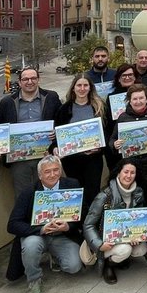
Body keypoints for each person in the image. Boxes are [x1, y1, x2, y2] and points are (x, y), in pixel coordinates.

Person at [8, 155, 85, 293]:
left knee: (74, 266)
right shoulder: (28, 192)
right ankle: (34, 280)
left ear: (61, 170)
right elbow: (12, 224)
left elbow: (83, 213)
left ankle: (55, 257)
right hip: (37, 235)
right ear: (40, 175)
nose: (52, 174)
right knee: (30, 246)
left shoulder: (72, 184)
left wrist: (68, 226)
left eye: (56, 170)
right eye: (47, 171)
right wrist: (41, 229)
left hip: (62, 235)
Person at [0, 66, 62, 197]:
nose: (29, 82)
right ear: (19, 82)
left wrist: (57, 133)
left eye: (33, 78)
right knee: (22, 196)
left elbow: (61, 119)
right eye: (25, 79)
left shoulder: (51, 97)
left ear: (38, 80)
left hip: (45, 156)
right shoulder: (7, 102)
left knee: (48, 195)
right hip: (19, 160)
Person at [82, 159, 147, 284]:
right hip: (105, 238)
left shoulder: (139, 192)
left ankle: (120, 259)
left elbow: (139, 220)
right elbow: (88, 224)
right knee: (124, 250)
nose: (129, 176)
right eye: (126, 172)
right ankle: (108, 265)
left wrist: (137, 235)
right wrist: (99, 244)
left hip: (126, 235)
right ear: (118, 173)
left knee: (142, 248)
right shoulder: (104, 195)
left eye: (132, 173)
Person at [54, 74, 112, 216]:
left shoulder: (99, 107)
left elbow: (108, 132)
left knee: (93, 193)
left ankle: (92, 225)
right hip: (71, 160)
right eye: (79, 85)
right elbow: (58, 134)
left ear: (90, 88)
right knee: (76, 194)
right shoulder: (64, 109)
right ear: (73, 88)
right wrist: (56, 147)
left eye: (85, 85)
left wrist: (99, 147)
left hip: (93, 159)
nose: (82, 88)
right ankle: (79, 228)